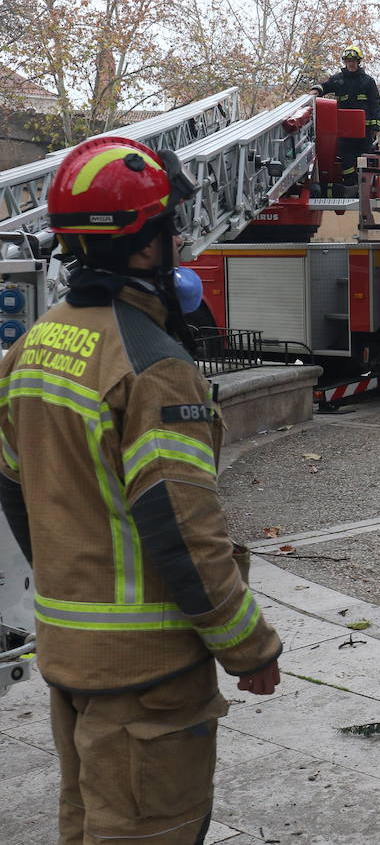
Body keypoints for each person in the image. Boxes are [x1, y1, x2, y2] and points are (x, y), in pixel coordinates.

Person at [0, 136, 282, 844]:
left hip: (70, 658)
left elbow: (18, 492)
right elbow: (184, 530)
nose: (180, 240)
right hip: (148, 676)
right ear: (143, 246)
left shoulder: (32, 347)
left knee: (90, 825)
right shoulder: (154, 369)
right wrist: (248, 646)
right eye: (169, 228)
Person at [310, 44, 380, 195]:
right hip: (344, 131)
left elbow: (375, 103)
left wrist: (375, 127)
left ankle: (365, 188)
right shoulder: (338, 79)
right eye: (348, 61)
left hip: (364, 131)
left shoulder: (368, 81)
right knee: (346, 158)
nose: (351, 63)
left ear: (358, 62)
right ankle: (350, 185)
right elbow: (325, 86)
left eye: (354, 60)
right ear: (344, 62)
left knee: (365, 158)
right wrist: (316, 90)